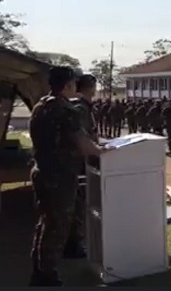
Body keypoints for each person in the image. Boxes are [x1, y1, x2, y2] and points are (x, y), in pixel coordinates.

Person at [29, 66, 110, 286]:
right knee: (57, 226)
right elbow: (83, 144)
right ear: (67, 86)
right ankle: (47, 275)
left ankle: (39, 269)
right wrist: (101, 151)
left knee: (46, 222)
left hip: (41, 171)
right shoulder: (66, 110)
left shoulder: (41, 106)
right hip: (60, 176)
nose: (76, 87)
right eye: (73, 83)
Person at [64, 74, 99, 259]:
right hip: (77, 164)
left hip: (81, 162)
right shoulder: (80, 108)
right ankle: (73, 245)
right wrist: (97, 150)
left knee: (78, 204)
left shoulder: (83, 107)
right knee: (76, 205)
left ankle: (73, 243)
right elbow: (81, 138)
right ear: (90, 88)